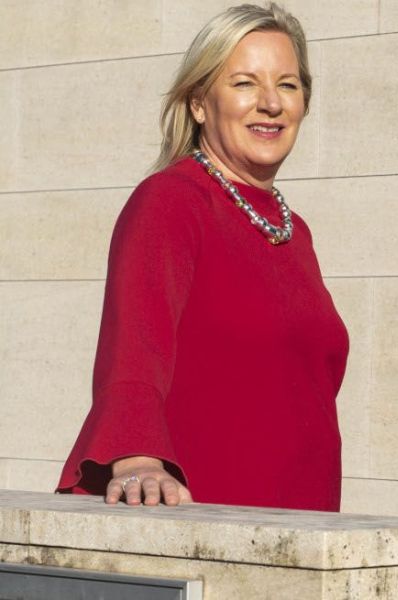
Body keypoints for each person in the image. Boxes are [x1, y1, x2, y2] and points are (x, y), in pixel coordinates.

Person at [56, 3, 349, 512]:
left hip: (303, 523)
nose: (270, 104)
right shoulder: (172, 201)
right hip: (210, 519)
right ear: (198, 103)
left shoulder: (292, 231)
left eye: (287, 84)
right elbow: (135, 343)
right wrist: (137, 456)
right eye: (243, 83)